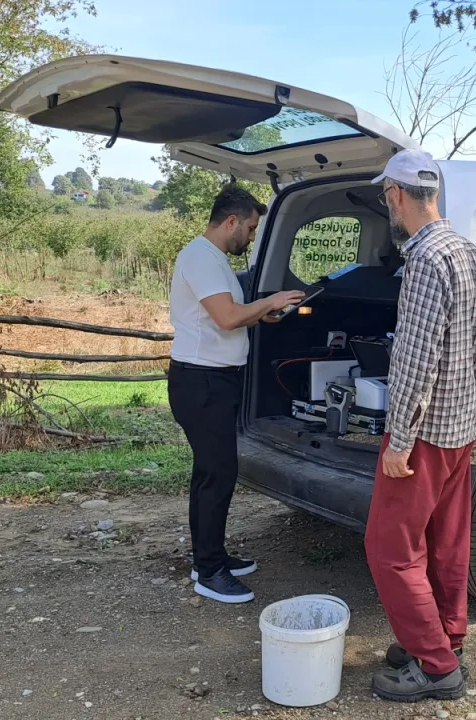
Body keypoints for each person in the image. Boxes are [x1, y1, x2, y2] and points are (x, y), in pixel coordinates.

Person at [364, 150, 476, 702]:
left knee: (389, 548)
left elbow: (415, 359)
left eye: (384, 196)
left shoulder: (423, 261)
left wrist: (399, 440)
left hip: (422, 438)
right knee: (446, 542)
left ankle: (438, 667)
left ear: (396, 195)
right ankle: (445, 639)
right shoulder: (471, 255)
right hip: (461, 428)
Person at [167, 185, 303, 605]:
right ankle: (209, 572)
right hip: (201, 381)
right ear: (230, 222)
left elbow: (228, 318)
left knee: (213, 472)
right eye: (248, 227)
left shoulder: (213, 260)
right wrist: (270, 301)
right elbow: (227, 318)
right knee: (216, 474)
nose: (249, 235)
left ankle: (211, 557)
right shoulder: (200, 258)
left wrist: (264, 312)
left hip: (213, 379)